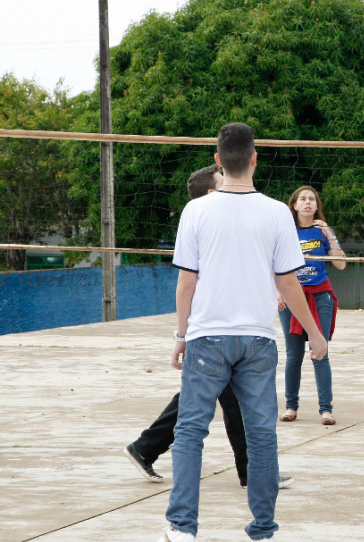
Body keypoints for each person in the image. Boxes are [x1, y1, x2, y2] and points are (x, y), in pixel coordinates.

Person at [160, 123, 327, 542]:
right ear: (254, 159)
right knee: (261, 434)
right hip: (258, 339)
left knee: (190, 433)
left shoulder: (195, 211)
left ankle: (182, 528)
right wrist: (316, 334)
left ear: (218, 160)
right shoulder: (276, 212)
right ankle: (264, 529)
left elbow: (186, 284)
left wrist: (181, 335)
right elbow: (289, 284)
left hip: (206, 337)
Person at [124, 165, 293, 490]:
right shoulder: (203, 226)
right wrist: (182, 336)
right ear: (211, 194)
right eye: (221, 184)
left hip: (225, 332)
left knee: (218, 400)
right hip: (214, 331)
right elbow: (187, 284)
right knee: (220, 401)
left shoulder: (228, 224)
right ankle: (249, 471)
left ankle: (145, 448)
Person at [278, 186, 344, 425]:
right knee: (293, 356)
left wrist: (329, 235)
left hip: (320, 295)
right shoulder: (286, 231)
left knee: (320, 352)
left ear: (316, 206)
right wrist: (278, 292)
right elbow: (272, 265)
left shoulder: (322, 231)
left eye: (312, 199)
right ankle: (290, 407)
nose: (307, 202)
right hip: (293, 297)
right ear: (294, 205)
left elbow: (340, 265)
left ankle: (326, 410)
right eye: (302, 199)